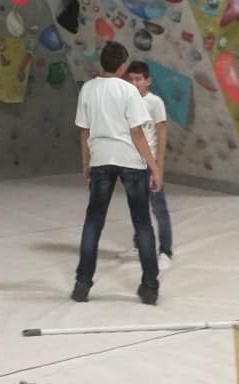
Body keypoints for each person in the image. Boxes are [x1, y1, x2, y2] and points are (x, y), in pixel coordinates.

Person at [72, 41, 162, 305]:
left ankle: (82, 284)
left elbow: (84, 131)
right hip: (131, 160)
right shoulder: (129, 90)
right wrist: (154, 166)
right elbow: (137, 133)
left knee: (93, 222)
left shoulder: (88, 89)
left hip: (101, 158)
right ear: (122, 66)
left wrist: (86, 162)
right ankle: (150, 287)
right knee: (142, 224)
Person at [122, 60, 173, 270]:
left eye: (138, 79)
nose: (134, 83)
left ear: (148, 81)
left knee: (159, 208)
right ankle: (138, 244)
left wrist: (158, 167)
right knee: (137, 207)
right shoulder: (125, 102)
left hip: (150, 163)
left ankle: (165, 251)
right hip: (131, 164)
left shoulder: (155, 103)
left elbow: (161, 135)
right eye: (131, 79)